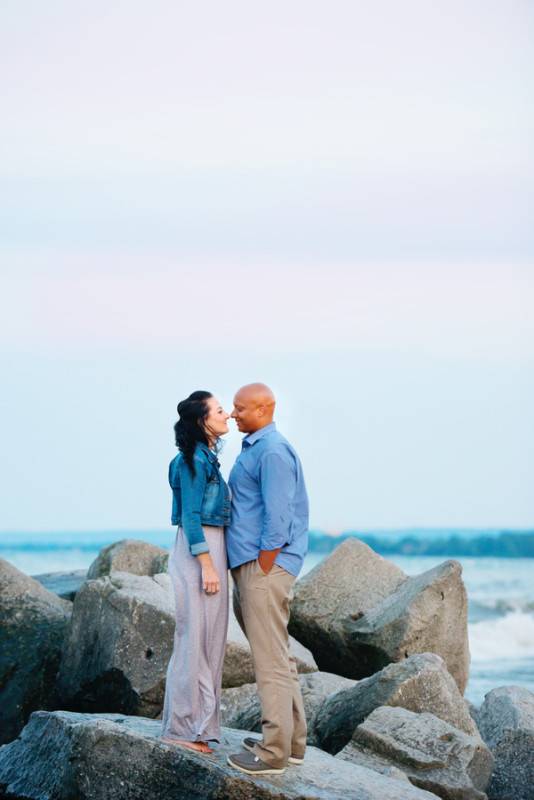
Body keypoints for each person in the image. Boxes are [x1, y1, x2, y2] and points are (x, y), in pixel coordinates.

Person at [225, 383, 309, 775]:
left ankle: (272, 752)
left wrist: (262, 564)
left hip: (264, 567)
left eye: (241, 408)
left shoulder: (273, 452)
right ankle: (292, 745)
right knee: (280, 656)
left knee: (269, 661)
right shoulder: (257, 448)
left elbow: (279, 514)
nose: (233, 413)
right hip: (256, 564)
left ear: (264, 408)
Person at [160, 390, 231, 754]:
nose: (228, 415)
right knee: (194, 641)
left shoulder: (205, 458)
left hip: (208, 550)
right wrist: (207, 565)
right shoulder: (191, 462)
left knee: (210, 641)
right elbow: (190, 516)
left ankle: (199, 727)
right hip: (198, 552)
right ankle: (181, 729)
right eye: (220, 410)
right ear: (204, 420)